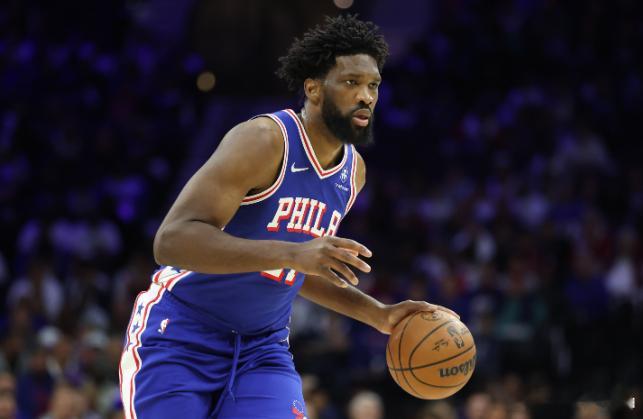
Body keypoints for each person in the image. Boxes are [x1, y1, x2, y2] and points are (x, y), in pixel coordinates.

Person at [119, 14, 457, 419]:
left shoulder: (353, 173)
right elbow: (172, 241)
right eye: (351, 82)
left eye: (373, 85)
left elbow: (299, 270)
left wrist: (379, 315)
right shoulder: (265, 140)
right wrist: (293, 254)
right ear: (313, 88)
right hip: (181, 334)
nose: (366, 96)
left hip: (262, 350)